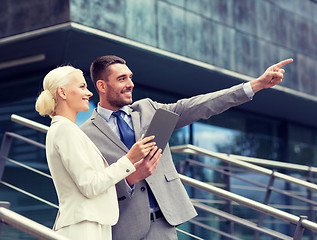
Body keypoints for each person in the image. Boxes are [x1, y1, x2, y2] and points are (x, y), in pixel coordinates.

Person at [80, 55, 293, 240]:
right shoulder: (86, 134)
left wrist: (255, 85)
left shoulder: (148, 109)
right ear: (101, 86)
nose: (130, 83)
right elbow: (91, 187)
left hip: (164, 226)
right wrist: (129, 179)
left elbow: (199, 105)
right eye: (121, 79)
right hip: (123, 231)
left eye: (130, 77)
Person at [35, 66, 162, 240]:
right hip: (84, 228)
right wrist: (129, 159)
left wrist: (132, 168)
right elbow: (90, 185)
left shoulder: (68, 130)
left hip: (91, 224)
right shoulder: (65, 130)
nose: (89, 93)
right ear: (62, 92)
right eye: (81, 87)